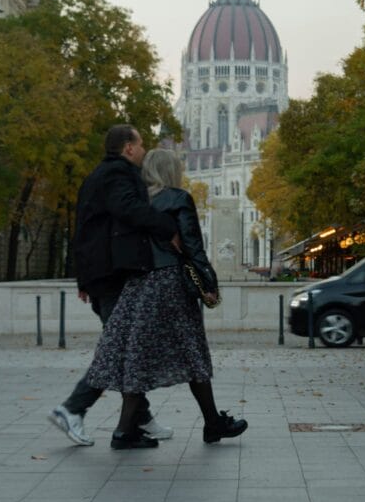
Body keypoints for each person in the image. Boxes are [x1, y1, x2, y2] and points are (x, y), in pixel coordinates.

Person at [82, 147, 248, 449]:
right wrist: (208, 281)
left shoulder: (135, 203)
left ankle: (124, 431)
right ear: (172, 171)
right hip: (170, 283)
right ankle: (212, 423)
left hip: (138, 285)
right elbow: (192, 245)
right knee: (191, 350)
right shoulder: (177, 198)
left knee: (138, 355)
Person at [48, 124, 179, 445]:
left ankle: (138, 421)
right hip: (113, 275)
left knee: (124, 349)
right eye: (141, 144)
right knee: (119, 349)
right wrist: (167, 226)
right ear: (129, 148)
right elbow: (129, 210)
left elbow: (84, 230)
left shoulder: (98, 176)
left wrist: (84, 277)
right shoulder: (118, 176)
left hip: (102, 274)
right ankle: (73, 409)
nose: (145, 150)